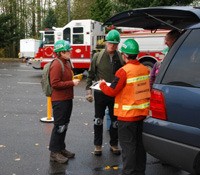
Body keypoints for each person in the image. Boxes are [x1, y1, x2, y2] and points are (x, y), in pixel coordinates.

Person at [99, 39, 150, 175]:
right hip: (141, 115)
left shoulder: (123, 71)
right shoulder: (144, 69)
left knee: (128, 148)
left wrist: (102, 84)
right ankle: (140, 172)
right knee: (139, 146)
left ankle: (129, 172)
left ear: (124, 55)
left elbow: (112, 91)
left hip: (127, 117)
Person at [85, 29, 124, 156]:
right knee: (98, 120)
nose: (113, 46)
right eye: (111, 43)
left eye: (115, 44)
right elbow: (90, 75)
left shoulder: (121, 58)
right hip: (100, 94)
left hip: (114, 94)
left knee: (115, 121)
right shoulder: (98, 57)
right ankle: (98, 146)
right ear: (106, 42)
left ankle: (114, 144)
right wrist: (88, 92)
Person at [49, 40, 80, 163]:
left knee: (64, 125)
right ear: (61, 52)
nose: (70, 52)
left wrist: (73, 79)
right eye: (68, 50)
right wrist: (71, 83)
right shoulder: (56, 64)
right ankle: (54, 152)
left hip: (67, 99)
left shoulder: (66, 62)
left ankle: (61, 148)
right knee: (59, 126)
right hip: (59, 101)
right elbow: (55, 83)